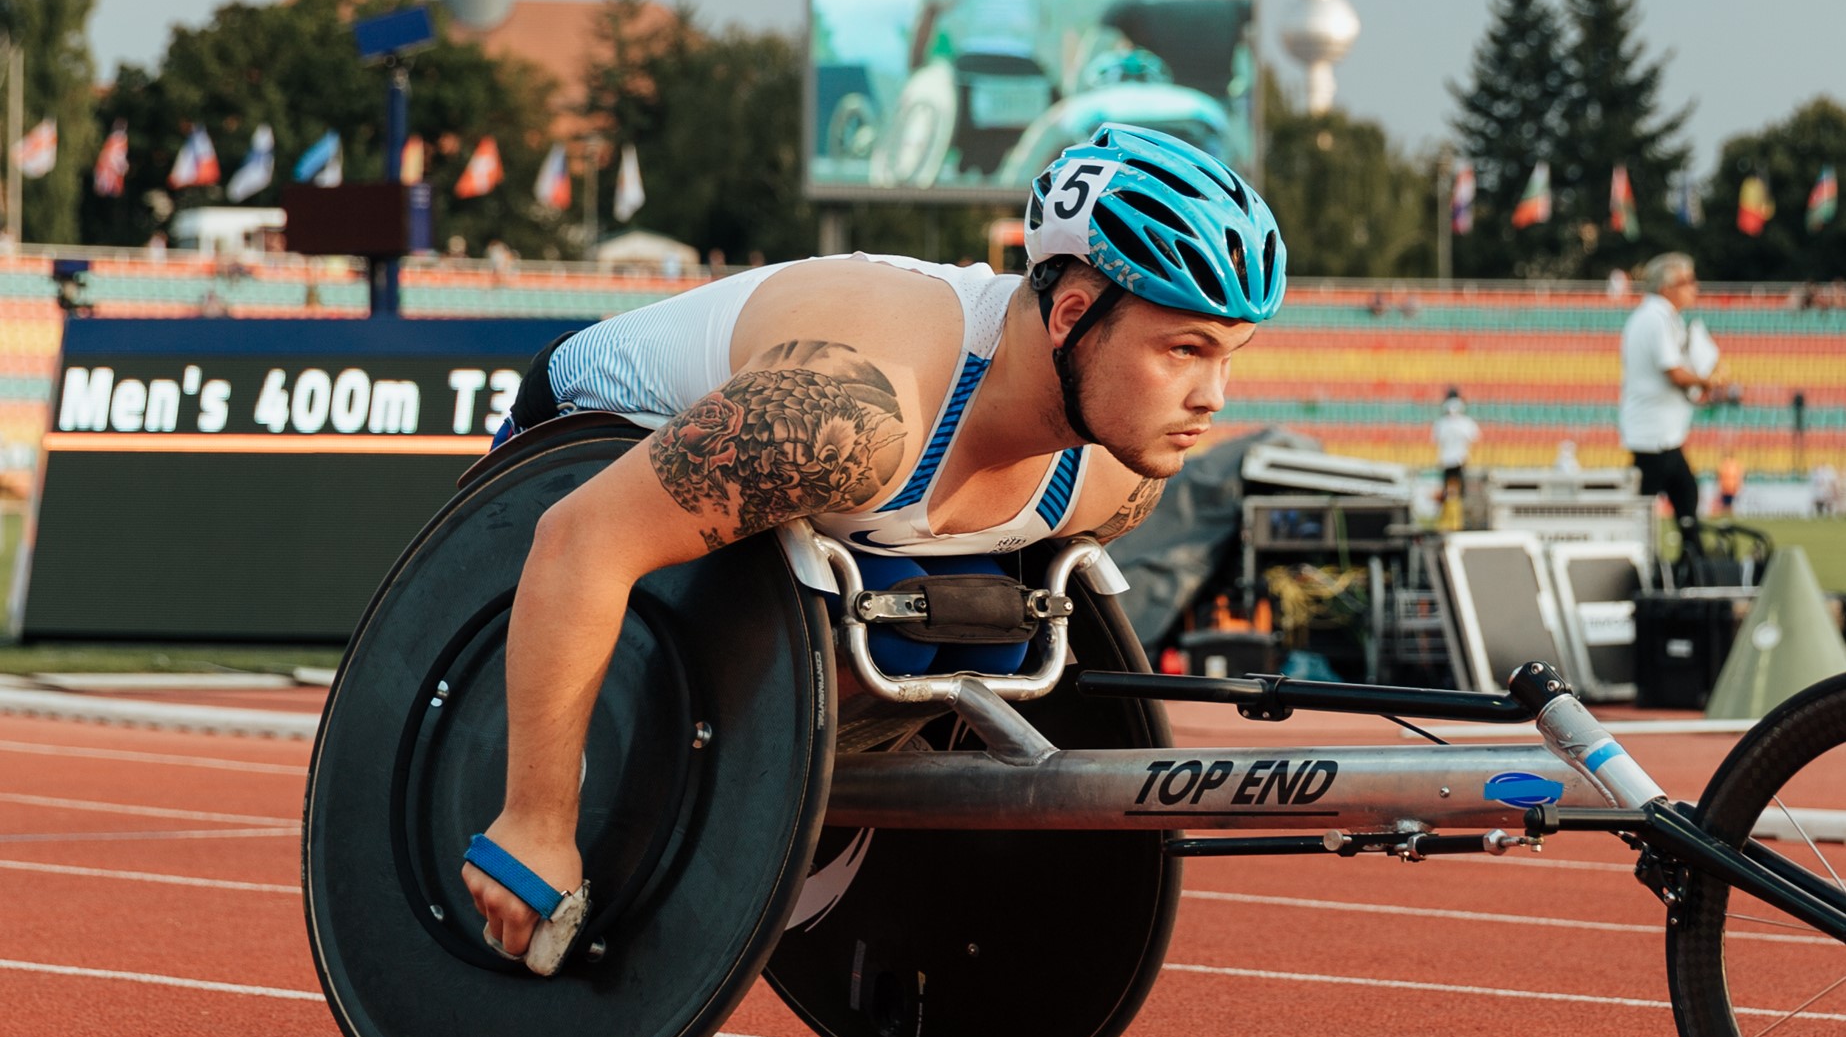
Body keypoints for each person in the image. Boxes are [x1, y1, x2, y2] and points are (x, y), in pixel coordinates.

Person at [460, 124, 1288, 966]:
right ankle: (623, 796)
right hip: (578, 458)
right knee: (901, 620)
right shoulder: (849, 414)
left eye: (1231, 357)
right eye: (1186, 351)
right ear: (1074, 316)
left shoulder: (1122, 478)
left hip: (820, 521)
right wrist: (535, 821)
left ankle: (770, 801)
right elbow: (577, 540)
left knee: (982, 632)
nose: (1213, 397)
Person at [1619, 252, 1724, 550]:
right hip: (1655, 435)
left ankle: (1691, 561)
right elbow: (1674, 373)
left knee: (1684, 494)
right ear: (1667, 287)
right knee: (1653, 507)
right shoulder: (1657, 318)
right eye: (1687, 281)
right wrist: (1708, 381)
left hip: (1658, 432)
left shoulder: (1656, 317)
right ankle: (1663, 562)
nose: (1695, 287)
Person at [1432, 389, 1479, 529]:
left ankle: (1455, 521)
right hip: (1454, 462)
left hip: (1453, 462)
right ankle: (1453, 521)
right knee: (1452, 494)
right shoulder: (1462, 423)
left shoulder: (1444, 423)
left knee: (1454, 494)